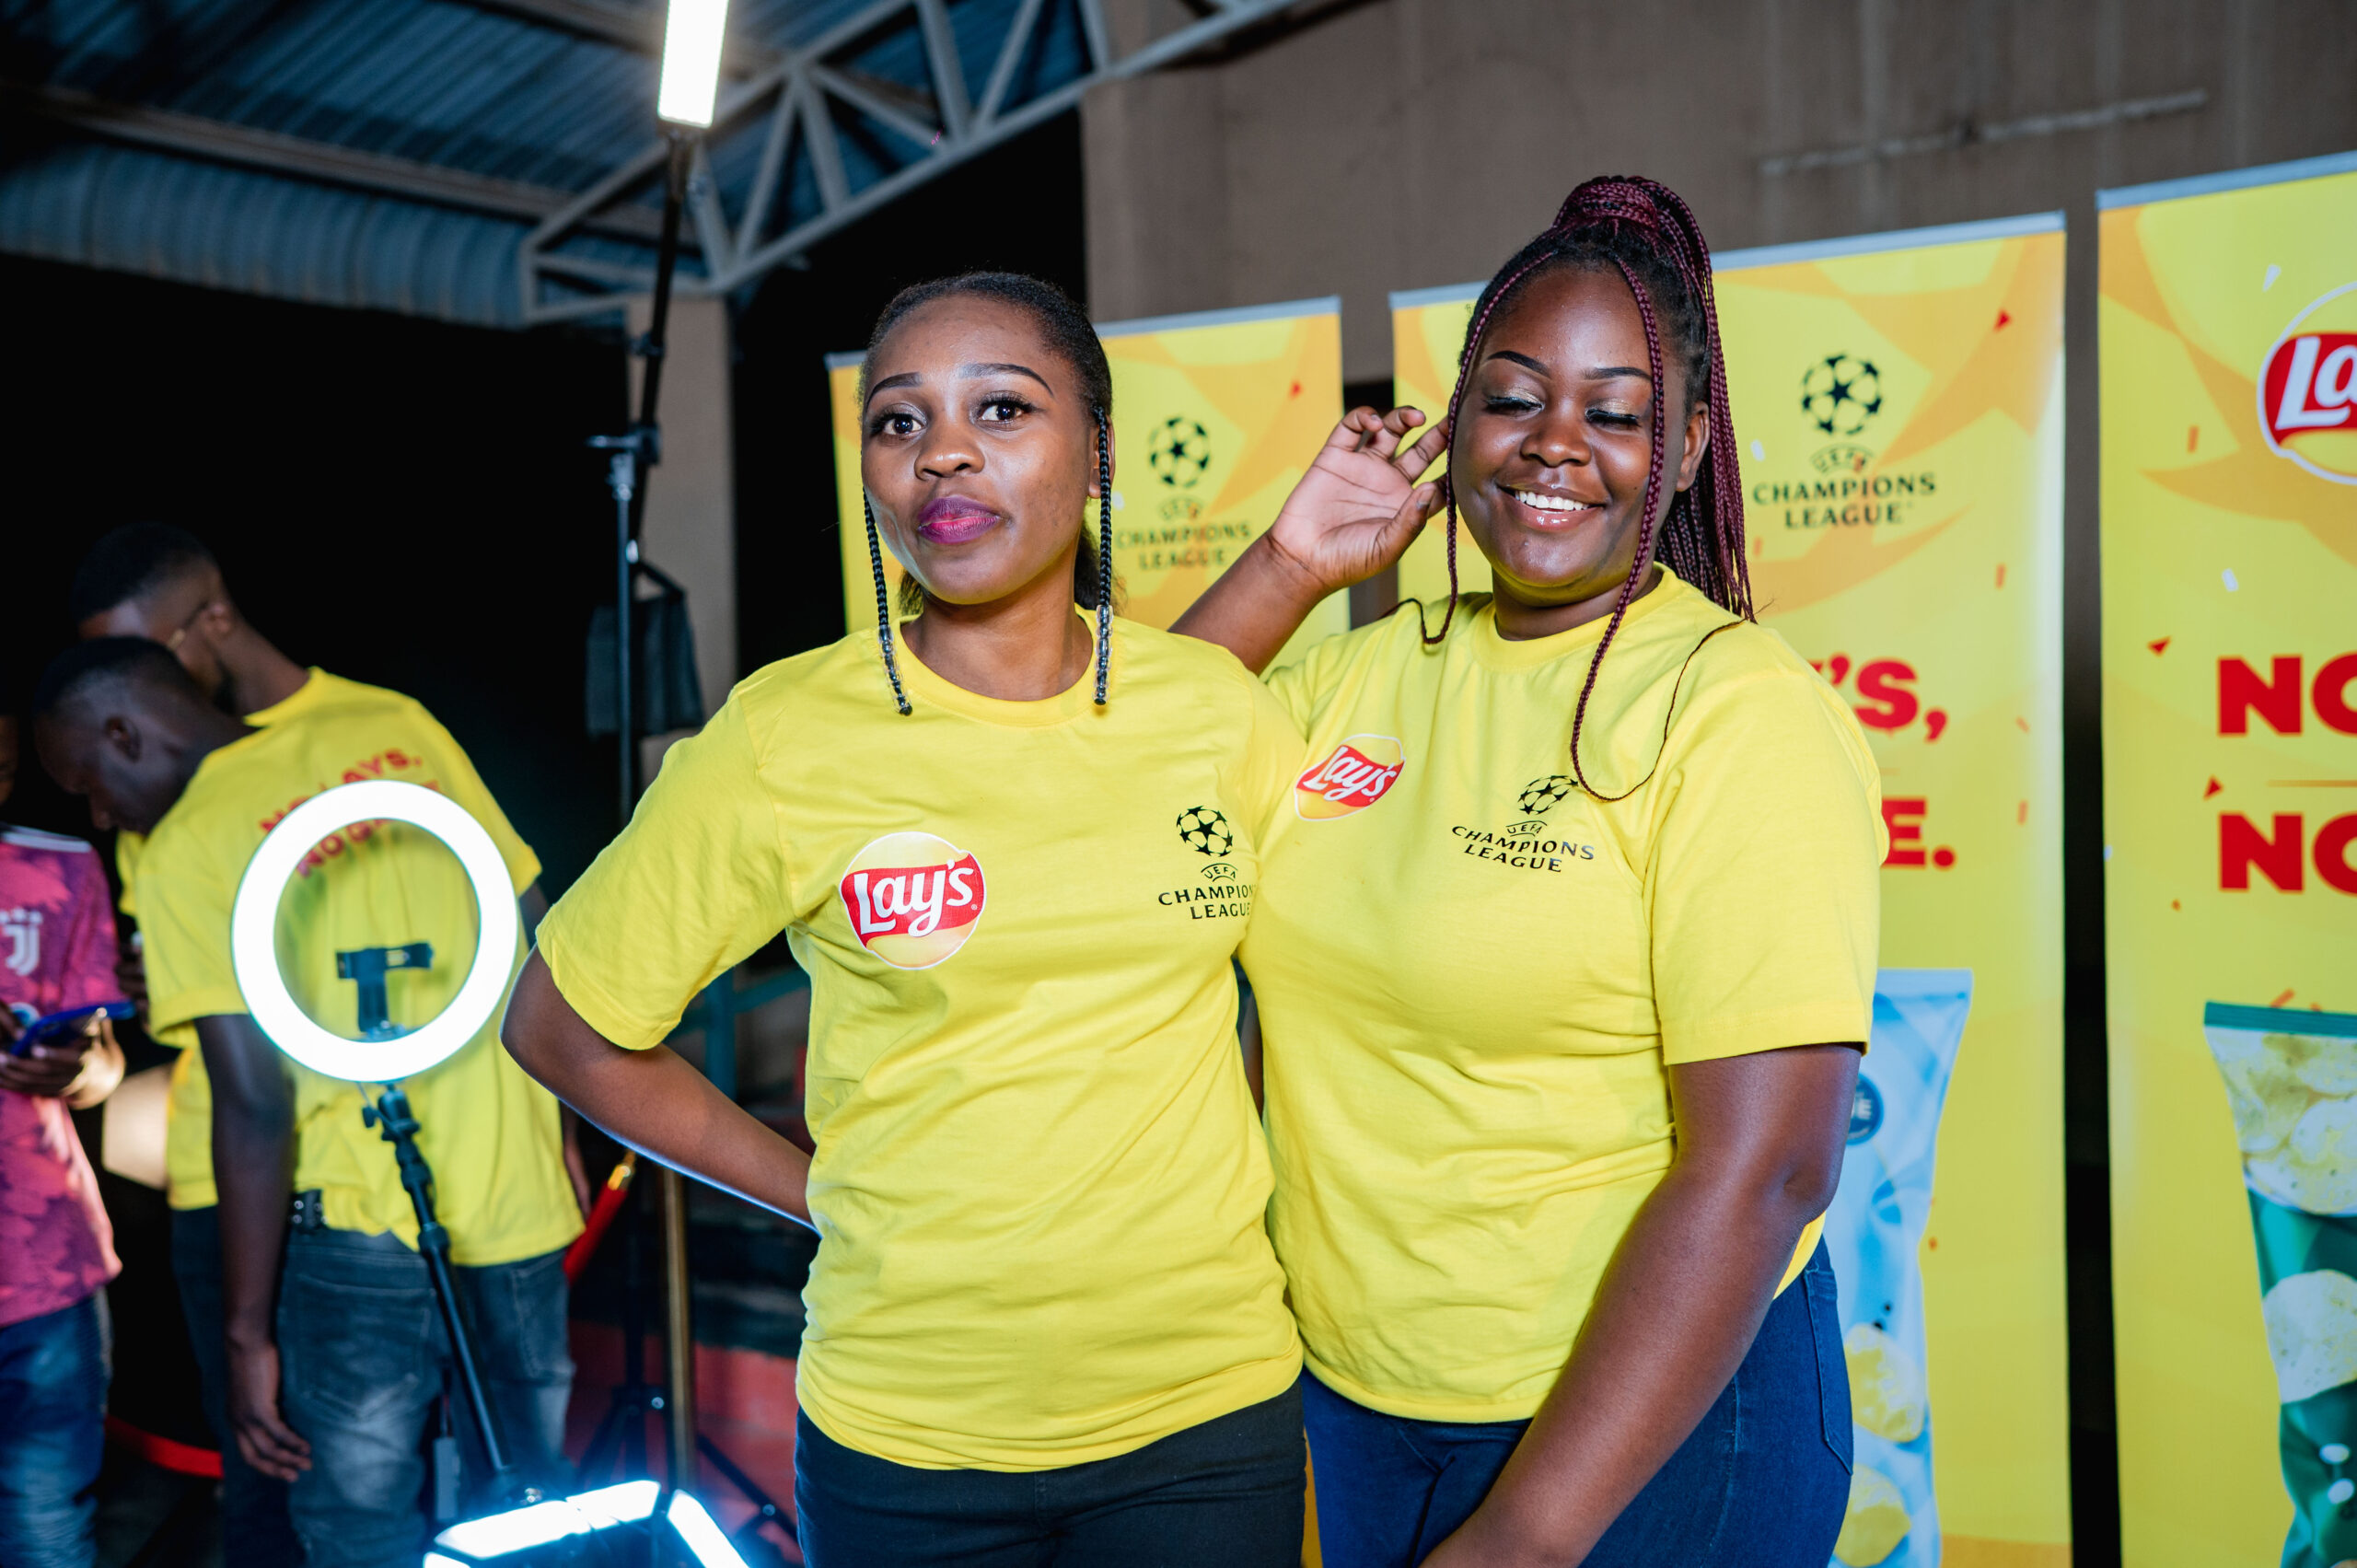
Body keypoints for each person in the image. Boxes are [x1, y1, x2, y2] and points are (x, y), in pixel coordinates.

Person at [502, 272, 1308, 1567]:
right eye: (898, 420)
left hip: (1205, 1421)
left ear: (1099, 452)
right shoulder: (784, 736)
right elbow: (562, 1025)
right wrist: (812, 1188)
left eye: (1002, 408)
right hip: (907, 1438)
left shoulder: (1219, 708)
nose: (942, 451)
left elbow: (1329, 993)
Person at [1176, 176, 1882, 1566]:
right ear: (1454, 425)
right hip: (1365, 1400)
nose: (1556, 441)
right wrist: (1290, 563)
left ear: (1684, 449)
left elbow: (1768, 1168)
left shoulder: (1733, 711)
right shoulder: (1363, 671)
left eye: (1615, 412)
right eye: (1512, 399)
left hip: (1646, 1429)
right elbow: (1104, 785)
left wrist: (1528, 1532)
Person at [65, 523, 589, 1567]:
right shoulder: (216, 791)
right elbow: (541, 932)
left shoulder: (355, 739)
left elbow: (529, 929)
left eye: (143, 656)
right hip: (373, 1188)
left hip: (394, 1194)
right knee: (492, 1501)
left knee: (396, 1514)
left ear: (209, 622)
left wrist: (567, 1123)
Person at [0, 698, 125, 1568]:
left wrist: (72, 1070)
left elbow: (104, 1060)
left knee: (46, 1530)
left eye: (4, 770)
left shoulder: (63, 867)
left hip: (45, 1262)